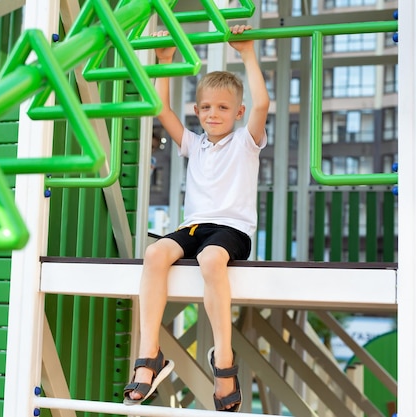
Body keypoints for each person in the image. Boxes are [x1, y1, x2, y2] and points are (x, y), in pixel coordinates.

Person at [123, 24, 270, 412]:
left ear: (237, 112)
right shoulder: (195, 144)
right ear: (197, 111)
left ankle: (224, 361)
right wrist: (165, 62)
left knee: (209, 259)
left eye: (222, 108)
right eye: (206, 107)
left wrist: (248, 53)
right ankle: (149, 354)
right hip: (194, 227)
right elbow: (162, 111)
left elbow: (261, 105)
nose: (213, 114)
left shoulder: (245, 141)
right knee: (154, 255)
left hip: (231, 230)